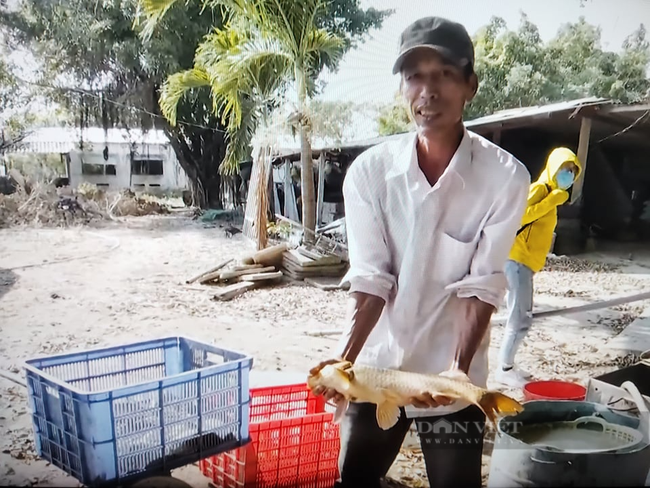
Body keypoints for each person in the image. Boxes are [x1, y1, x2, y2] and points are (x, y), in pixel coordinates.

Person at [308, 16, 530, 488]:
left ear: (470, 84)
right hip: (379, 369)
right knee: (356, 479)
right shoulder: (368, 173)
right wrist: (343, 364)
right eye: (415, 76)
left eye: (444, 74)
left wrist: (455, 373)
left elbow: (483, 284)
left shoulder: (505, 178)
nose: (427, 90)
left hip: (454, 372)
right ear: (402, 87)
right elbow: (370, 281)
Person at [495, 147, 582, 388]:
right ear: (553, 168)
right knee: (519, 317)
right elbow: (517, 217)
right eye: (565, 169)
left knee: (522, 315)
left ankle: (509, 365)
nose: (569, 176)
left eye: (573, 172)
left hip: (526, 263)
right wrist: (550, 201)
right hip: (516, 260)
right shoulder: (539, 190)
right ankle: (504, 369)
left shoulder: (551, 195)